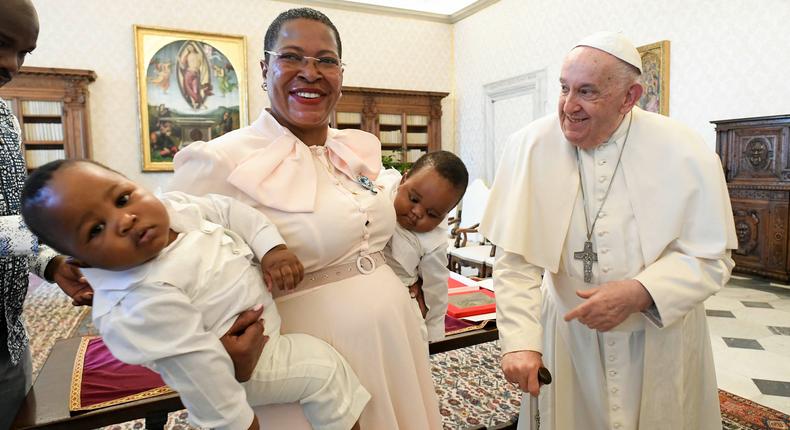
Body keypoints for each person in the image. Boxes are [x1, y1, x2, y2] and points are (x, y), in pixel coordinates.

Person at [168, 7, 442, 429]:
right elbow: (156, 262)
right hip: (311, 361)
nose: (310, 72)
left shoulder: (356, 149)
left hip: (395, 338)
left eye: (326, 60)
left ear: (341, 73)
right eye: (291, 57)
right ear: (265, 68)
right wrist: (209, 347)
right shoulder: (221, 159)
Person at [480, 31, 737, 430]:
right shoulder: (528, 146)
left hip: (658, 337)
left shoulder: (684, 149)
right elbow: (515, 262)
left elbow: (711, 258)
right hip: (567, 337)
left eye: (587, 92)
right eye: (563, 89)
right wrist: (521, 341)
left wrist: (641, 292)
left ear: (629, 97)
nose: (568, 106)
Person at [21, 159, 370, 430]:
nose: (125, 219)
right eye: (96, 229)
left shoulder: (173, 209)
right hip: (246, 364)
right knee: (325, 369)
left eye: (123, 197)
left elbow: (227, 210)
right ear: (80, 262)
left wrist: (272, 248)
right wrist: (239, 421)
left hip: (254, 334)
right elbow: (198, 373)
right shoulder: (139, 299)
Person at [0, 2, 93, 428]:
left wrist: (49, 262)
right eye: (2, 45)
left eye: (23, 53)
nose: (10, 65)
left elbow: (11, 214)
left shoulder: (4, 119)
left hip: (9, 337)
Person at [380, 150, 469, 342]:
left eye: (432, 214)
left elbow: (436, 289)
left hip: (400, 296)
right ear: (403, 181)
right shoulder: (379, 190)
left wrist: (434, 329)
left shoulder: (434, 243)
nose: (417, 213)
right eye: (413, 199)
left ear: (445, 216)